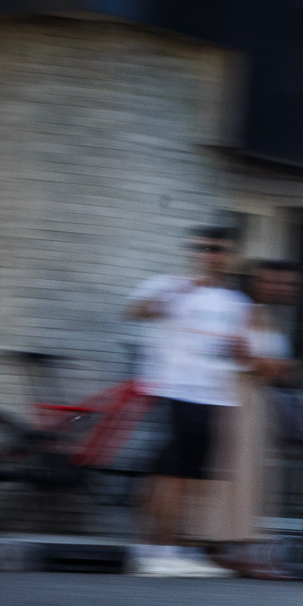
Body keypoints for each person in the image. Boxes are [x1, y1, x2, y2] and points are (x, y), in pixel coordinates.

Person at [125, 226, 253, 577]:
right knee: (172, 474)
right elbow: (135, 311)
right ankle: (158, 549)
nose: (211, 256)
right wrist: (178, 291)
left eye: (218, 250)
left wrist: (241, 352)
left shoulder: (236, 302)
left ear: (231, 257)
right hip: (174, 390)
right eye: (203, 249)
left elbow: (242, 355)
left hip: (215, 395)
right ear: (192, 253)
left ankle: (176, 547)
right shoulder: (169, 285)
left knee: (197, 477)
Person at [195, 261, 300, 562]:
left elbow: (283, 369)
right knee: (232, 468)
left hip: (257, 399)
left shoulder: (271, 318)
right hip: (234, 397)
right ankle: (217, 541)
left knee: (250, 473)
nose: (283, 289)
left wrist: (271, 366)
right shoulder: (240, 312)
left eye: (288, 284)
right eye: (274, 282)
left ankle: (236, 542)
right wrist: (267, 366)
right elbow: (244, 357)